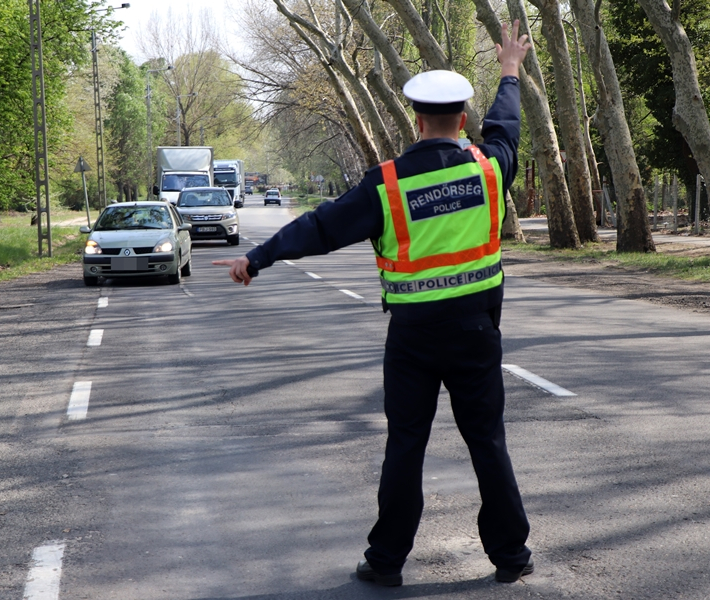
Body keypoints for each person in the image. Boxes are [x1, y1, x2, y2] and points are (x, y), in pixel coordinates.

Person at [213, 21, 533, 587]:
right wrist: (509, 71)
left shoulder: (385, 185)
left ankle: (386, 562)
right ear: (463, 121)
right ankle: (511, 557)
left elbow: (318, 228)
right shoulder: (490, 167)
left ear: (416, 120)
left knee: (405, 447)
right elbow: (507, 125)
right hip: (477, 335)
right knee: (488, 443)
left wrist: (256, 258)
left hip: (412, 340)